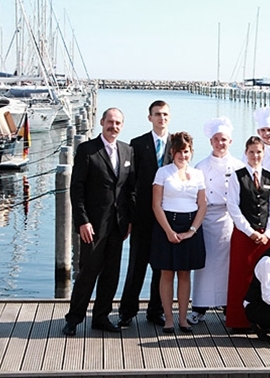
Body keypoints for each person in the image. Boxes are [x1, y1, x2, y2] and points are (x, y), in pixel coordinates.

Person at [62, 107, 135, 336]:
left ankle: (101, 317)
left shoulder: (127, 151)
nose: (114, 126)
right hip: (92, 225)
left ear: (122, 126)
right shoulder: (87, 150)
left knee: (111, 274)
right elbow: (77, 188)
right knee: (87, 272)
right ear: (102, 122)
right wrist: (82, 221)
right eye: (110, 122)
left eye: (118, 123)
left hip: (118, 225)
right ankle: (74, 318)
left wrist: (129, 219)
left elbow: (130, 190)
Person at [119, 100, 172, 328]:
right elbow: (130, 183)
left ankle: (155, 310)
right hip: (142, 215)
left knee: (161, 267)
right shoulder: (137, 144)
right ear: (150, 117)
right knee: (137, 265)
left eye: (165, 114)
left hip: (167, 216)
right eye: (157, 114)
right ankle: (127, 311)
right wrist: (130, 217)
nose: (162, 118)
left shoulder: (176, 143)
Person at [189, 117, 245, 325]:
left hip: (229, 218)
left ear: (230, 142)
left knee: (227, 264)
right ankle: (199, 307)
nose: (220, 143)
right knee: (204, 264)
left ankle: (226, 305)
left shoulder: (239, 166)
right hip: (206, 217)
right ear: (211, 141)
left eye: (224, 140)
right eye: (216, 139)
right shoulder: (201, 166)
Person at [150, 131, 207, 333]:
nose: (183, 155)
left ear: (191, 152)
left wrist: (192, 231)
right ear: (173, 152)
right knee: (166, 273)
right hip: (167, 225)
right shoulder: (163, 173)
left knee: (185, 274)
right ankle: (168, 319)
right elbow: (156, 205)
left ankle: (183, 319)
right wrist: (168, 231)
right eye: (180, 152)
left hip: (190, 227)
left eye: (187, 151)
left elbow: (202, 205)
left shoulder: (198, 174)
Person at [226, 136, 270, 329]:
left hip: (265, 235)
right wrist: (249, 231)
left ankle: (262, 319)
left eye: (259, 152)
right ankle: (238, 320)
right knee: (240, 277)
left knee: (265, 278)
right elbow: (232, 206)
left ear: (263, 154)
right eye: (251, 152)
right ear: (246, 153)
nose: (255, 156)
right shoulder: (237, 176)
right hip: (244, 235)